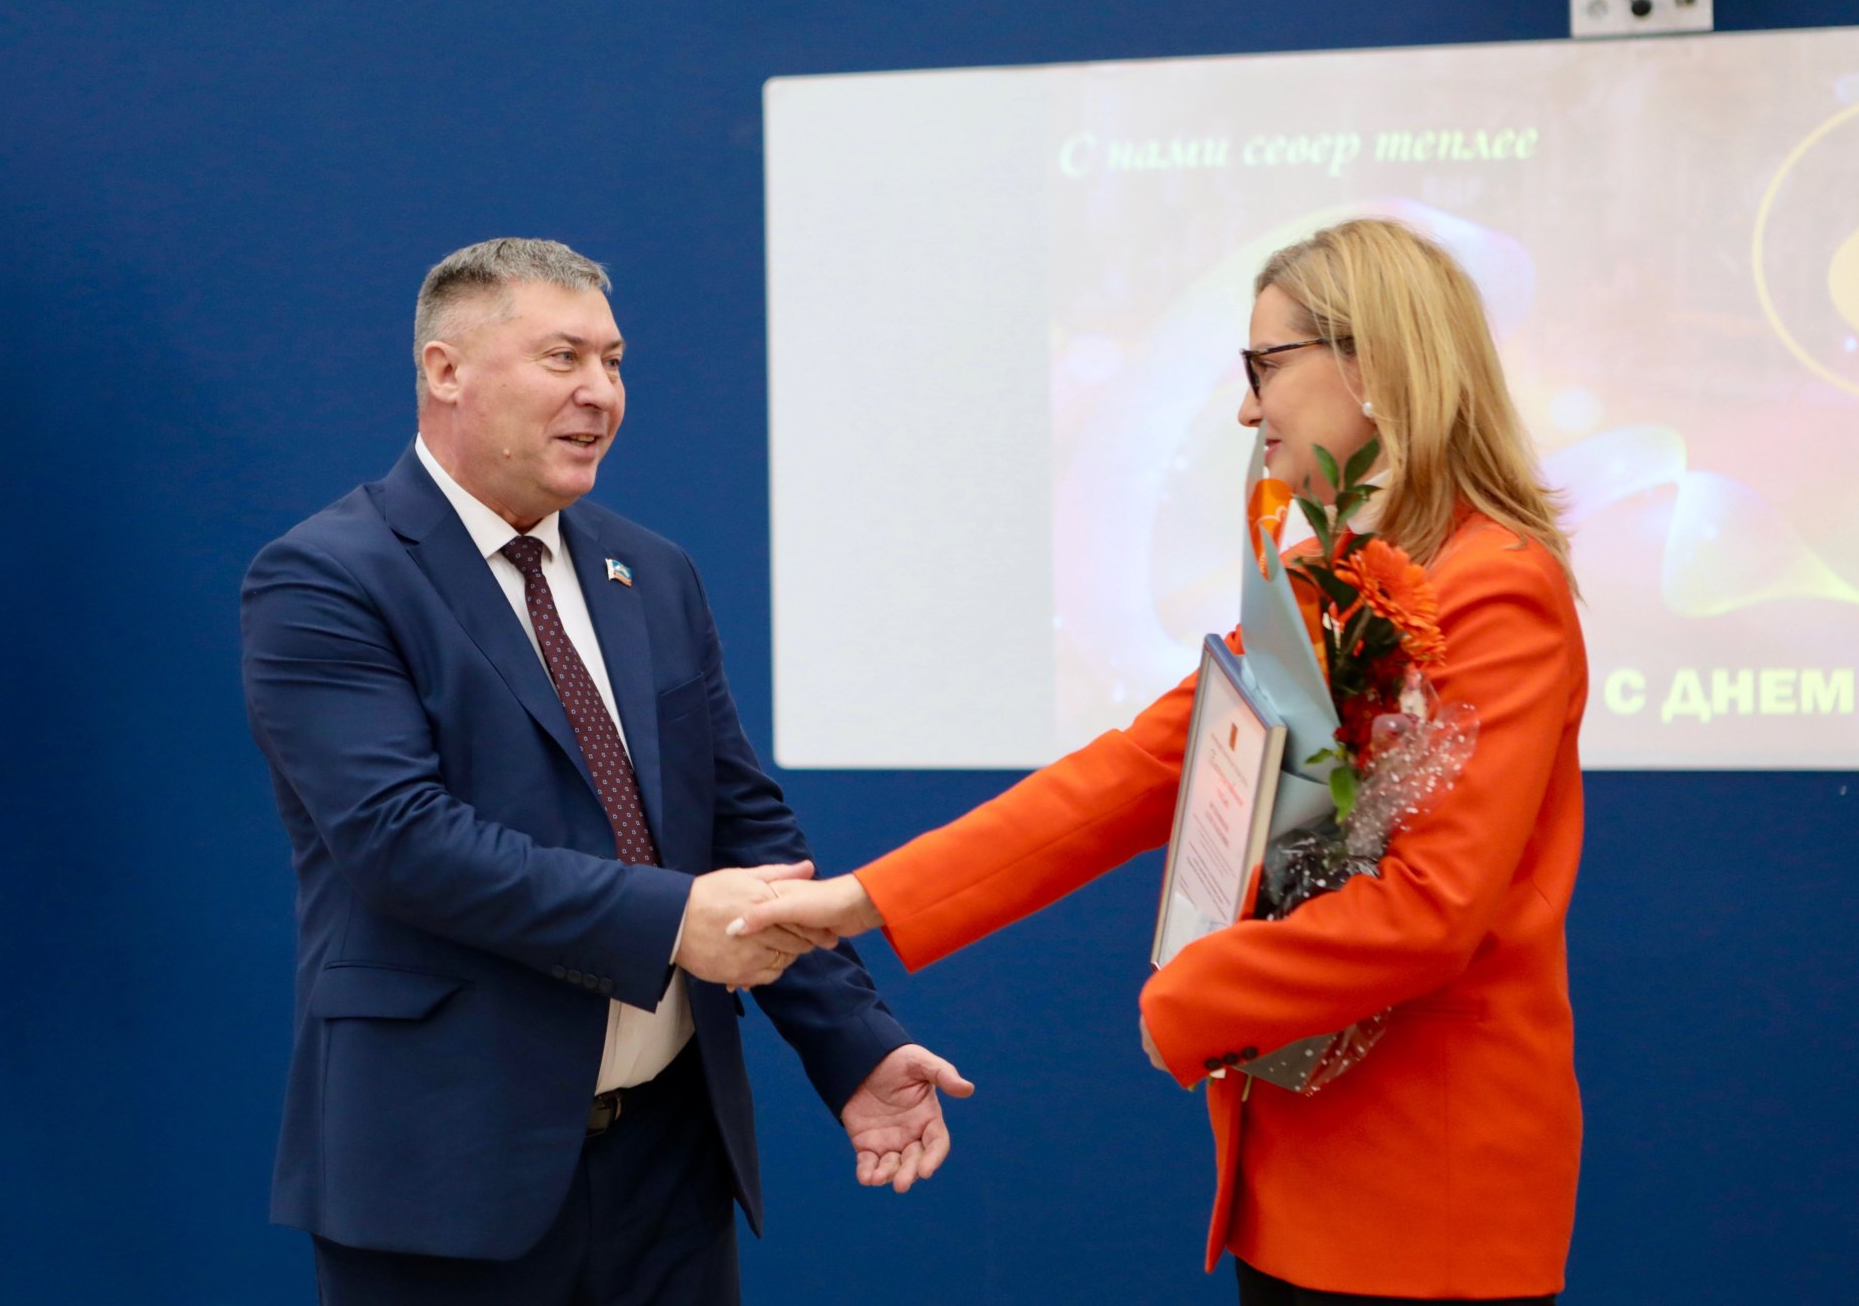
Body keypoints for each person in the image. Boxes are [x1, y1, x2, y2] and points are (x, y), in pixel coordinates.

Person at [731, 219, 1584, 1305]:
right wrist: (858, 902)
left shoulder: (1497, 585)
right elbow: (1136, 770)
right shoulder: (1323, 574)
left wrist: (1197, 993)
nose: (1246, 411)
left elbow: (1435, 906)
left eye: (1263, 367)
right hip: (1299, 1159)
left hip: (1430, 1175)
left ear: (1372, 364)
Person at [240, 237, 970, 1305]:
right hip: (448, 1177)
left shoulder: (651, 572)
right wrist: (673, 922)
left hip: (670, 1167)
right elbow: (401, 841)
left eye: (614, 362)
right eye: (563, 358)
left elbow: (740, 829)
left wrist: (851, 1044)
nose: (601, 392)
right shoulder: (326, 577)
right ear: (446, 370)